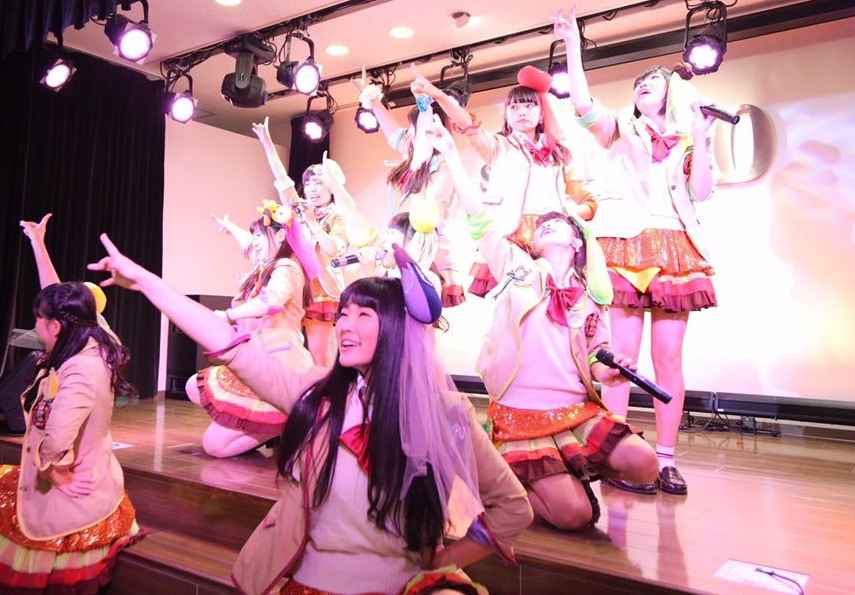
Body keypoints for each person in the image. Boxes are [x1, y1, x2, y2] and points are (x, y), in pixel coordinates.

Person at [89, 235, 533, 595]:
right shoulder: (315, 393)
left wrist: (443, 562)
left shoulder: (446, 414)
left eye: (363, 315)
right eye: (343, 314)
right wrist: (146, 281)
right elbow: (225, 340)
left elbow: (513, 507)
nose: (345, 325)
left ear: (398, 329)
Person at [434, 125, 659, 530]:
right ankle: (500, 485)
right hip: (521, 414)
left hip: (576, 410)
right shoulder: (515, 267)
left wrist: (609, 372)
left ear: (577, 242)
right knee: (576, 516)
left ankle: (564, 471)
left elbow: (595, 356)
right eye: (542, 226)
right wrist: (451, 152)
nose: (547, 225)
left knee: (646, 465)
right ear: (534, 244)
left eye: (560, 224)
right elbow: (478, 216)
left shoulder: (590, 295)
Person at [555, 6, 719, 495]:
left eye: (653, 81)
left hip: (674, 248)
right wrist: (572, 44)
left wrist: (702, 139)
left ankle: (666, 459)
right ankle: (616, 455)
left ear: (673, 92)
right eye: (638, 83)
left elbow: (702, 191)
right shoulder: (619, 129)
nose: (643, 85)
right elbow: (582, 103)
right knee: (621, 359)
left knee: (668, 359)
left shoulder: (688, 137)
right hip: (624, 244)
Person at [0, 282, 143, 592]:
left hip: (74, 488)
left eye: (38, 318)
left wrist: (54, 472)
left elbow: (57, 438)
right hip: (90, 474)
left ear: (55, 325)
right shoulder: (96, 349)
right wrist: (39, 250)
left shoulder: (79, 369)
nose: (35, 325)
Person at [409, 64, 598, 296]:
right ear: (507, 115)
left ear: (541, 114)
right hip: (509, 237)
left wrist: (566, 219)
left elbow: (589, 202)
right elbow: (466, 122)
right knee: (515, 304)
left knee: (553, 302)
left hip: (551, 238)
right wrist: (436, 94)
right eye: (514, 106)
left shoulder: (559, 155)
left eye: (529, 105)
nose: (522, 112)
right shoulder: (498, 147)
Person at [188, 204, 311, 457]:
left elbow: (272, 300)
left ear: (280, 235)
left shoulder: (286, 268)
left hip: (277, 364)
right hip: (255, 358)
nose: (254, 241)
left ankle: (287, 421)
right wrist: (230, 227)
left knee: (215, 447)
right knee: (194, 386)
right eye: (254, 235)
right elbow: (248, 245)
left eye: (259, 235)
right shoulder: (265, 266)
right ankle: (263, 425)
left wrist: (228, 315)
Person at [351, 76, 465, 306]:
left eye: (414, 128)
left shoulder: (442, 163)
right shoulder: (417, 158)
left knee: (418, 316)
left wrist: (403, 248)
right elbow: (393, 133)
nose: (409, 133)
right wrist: (373, 100)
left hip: (428, 251)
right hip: (404, 244)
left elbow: (432, 214)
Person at [253, 117, 352, 367]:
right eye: (308, 184)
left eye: (319, 184)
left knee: (319, 353)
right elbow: (283, 181)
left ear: (331, 187)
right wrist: (267, 143)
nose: (312, 189)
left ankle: (326, 392)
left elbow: (333, 249)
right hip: (294, 285)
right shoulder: (299, 208)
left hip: (321, 291)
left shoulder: (337, 216)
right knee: (288, 346)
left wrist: (312, 223)